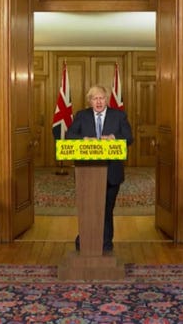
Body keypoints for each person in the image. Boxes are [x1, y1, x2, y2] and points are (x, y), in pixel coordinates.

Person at [66, 85, 133, 252]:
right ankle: (85, 241)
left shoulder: (118, 115)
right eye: (95, 98)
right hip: (86, 173)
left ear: (107, 99)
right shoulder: (82, 115)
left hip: (111, 173)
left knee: (106, 209)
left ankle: (105, 243)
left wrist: (114, 138)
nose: (98, 101)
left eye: (101, 98)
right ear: (90, 101)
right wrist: (84, 139)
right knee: (88, 208)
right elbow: (69, 135)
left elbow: (129, 138)